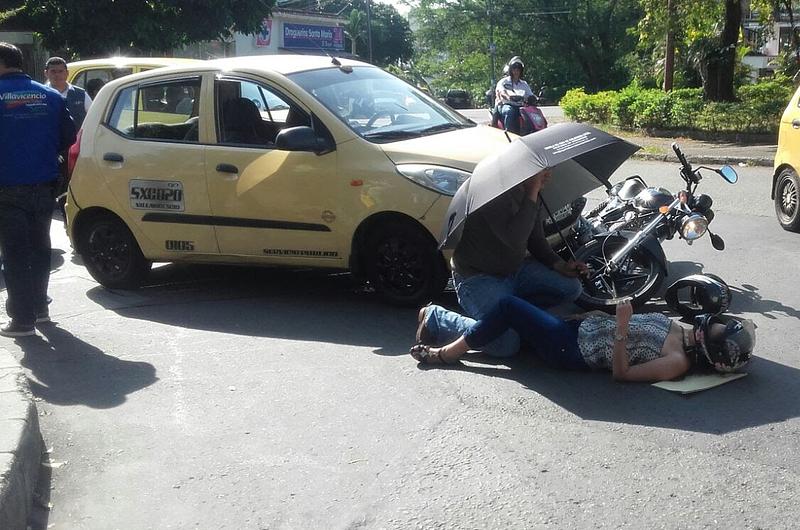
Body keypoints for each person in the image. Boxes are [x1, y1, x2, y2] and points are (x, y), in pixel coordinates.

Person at [418, 168, 587, 358]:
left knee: (571, 287)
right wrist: (532, 192)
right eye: (541, 171)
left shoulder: (532, 192)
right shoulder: (493, 194)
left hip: (514, 270)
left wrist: (561, 266)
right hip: (478, 278)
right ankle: (438, 318)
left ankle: (515, 316)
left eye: (547, 171)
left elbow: (536, 240)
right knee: (506, 343)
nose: (547, 176)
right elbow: (514, 238)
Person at [410, 297, 756, 383]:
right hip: (579, 329)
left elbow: (621, 374)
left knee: (508, 307)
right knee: (505, 335)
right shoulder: (682, 332)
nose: (700, 328)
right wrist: (597, 317)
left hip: (571, 350)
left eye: (708, 332)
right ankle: (438, 317)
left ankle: (446, 353)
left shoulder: (677, 362)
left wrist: (621, 325)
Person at [0, 43, 77, 337]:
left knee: (15, 253)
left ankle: (22, 320)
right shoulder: (51, 96)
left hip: (7, 186)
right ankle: (40, 308)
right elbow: (68, 137)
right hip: (44, 184)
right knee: (40, 247)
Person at [44, 56, 91, 129]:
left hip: (77, 139)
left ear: (67, 73)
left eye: (60, 71)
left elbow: (93, 117)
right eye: (53, 71)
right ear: (46, 73)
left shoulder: (81, 94)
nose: (57, 75)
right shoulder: (41, 95)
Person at [495, 56, 534, 135]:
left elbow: (530, 95)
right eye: (514, 69)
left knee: (532, 114)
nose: (516, 71)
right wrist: (509, 97)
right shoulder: (504, 82)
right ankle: (509, 134)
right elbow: (502, 92)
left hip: (521, 106)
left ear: (521, 71)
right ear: (510, 70)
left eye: (518, 69)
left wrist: (535, 98)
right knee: (509, 111)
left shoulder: (524, 84)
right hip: (506, 105)